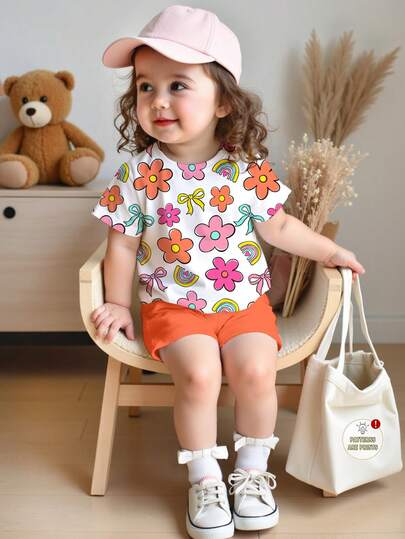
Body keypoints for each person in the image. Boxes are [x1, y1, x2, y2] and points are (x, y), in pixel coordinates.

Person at [90, 5, 366, 538]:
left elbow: (279, 225)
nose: (158, 100)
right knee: (198, 376)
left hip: (244, 304)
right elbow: (121, 244)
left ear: (223, 101)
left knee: (257, 372)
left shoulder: (243, 167)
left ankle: (251, 474)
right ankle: (204, 478)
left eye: (177, 85)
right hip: (174, 307)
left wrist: (329, 252)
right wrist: (119, 304)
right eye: (145, 87)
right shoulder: (139, 173)